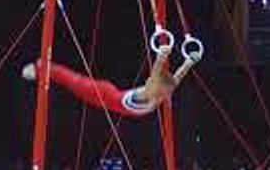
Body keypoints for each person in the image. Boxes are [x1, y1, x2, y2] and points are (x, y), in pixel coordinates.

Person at [22, 42, 199, 118]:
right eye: (166, 90)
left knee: (73, 87)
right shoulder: (152, 92)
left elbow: (177, 77)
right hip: (106, 94)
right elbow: (155, 75)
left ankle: (46, 67)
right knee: (74, 81)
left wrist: (189, 62)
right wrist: (161, 56)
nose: (170, 94)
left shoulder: (163, 92)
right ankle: (41, 67)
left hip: (107, 103)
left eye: (169, 91)